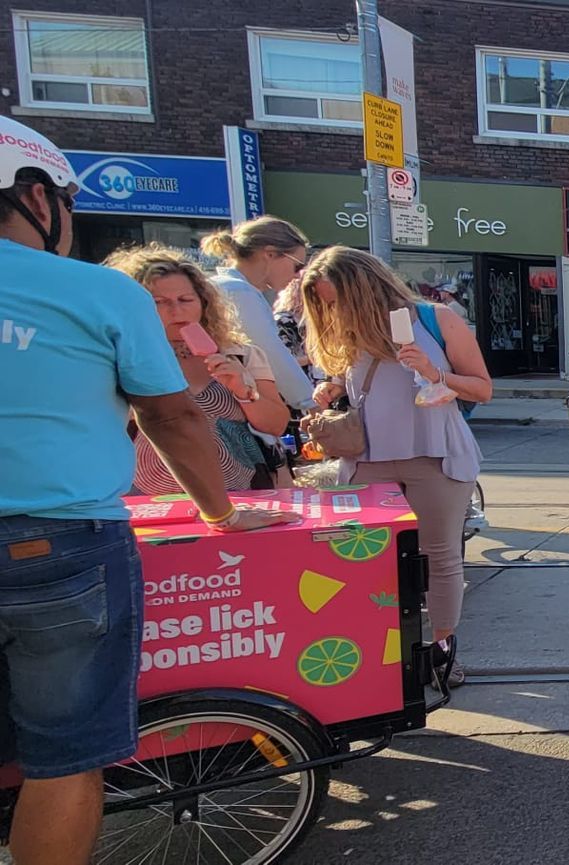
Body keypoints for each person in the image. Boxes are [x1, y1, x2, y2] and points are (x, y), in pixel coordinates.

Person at [0, 116, 291, 865]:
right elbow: (169, 415)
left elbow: (265, 417)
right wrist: (221, 513)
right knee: (65, 757)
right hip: (57, 540)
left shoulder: (217, 340)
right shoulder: (92, 291)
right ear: (36, 195)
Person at [303, 247, 491, 686]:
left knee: (440, 556)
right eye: (326, 304)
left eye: (338, 301)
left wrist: (433, 372)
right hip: (367, 459)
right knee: (370, 563)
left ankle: (442, 651)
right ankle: (383, 652)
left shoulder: (434, 320)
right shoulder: (343, 332)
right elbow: (361, 381)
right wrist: (331, 387)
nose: (333, 311)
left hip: (435, 455)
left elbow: (482, 389)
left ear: (364, 290)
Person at [104, 245, 292, 494]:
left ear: (204, 302)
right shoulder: (115, 359)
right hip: (145, 499)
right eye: (159, 302)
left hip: (240, 492)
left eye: (186, 300)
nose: (176, 310)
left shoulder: (240, 354)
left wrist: (244, 392)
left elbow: (276, 425)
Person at [200, 216, 317, 411]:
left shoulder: (227, 286)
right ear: (270, 254)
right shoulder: (239, 291)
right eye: (297, 265)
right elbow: (271, 355)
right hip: (228, 405)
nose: (298, 274)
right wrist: (310, 404)